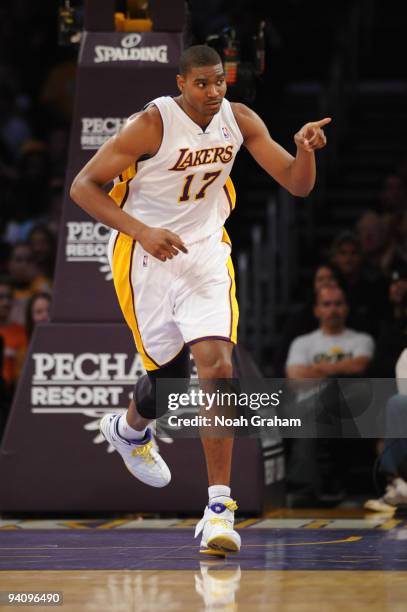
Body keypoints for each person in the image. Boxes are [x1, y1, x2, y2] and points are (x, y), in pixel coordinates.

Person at [70, 44, 330, 553]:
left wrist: (304, 149)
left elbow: (297, 186)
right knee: (165, 387)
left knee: (215, 366)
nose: (213, 93)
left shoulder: (240, 119)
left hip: (207, 253)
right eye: (202, 84)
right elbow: (84, 186)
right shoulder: (150, 124)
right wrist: (142, 231)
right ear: (181, 83)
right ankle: (129, 429)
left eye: (219, 83)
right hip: (148, 256)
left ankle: (218, 509)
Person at [285, 285, 374, 505]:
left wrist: (315, 371)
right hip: (307, 406)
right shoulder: (302, 342)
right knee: (309, 410)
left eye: (338, 304)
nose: (333, 309)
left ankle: (303, 488)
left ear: (346, 308)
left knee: (333, 392)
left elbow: (359, 367)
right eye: (327, 304)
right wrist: (339, 368)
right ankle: (312, 487)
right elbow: (295, 377)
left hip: (348, 405)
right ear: (316, 310)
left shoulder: (362, 340)